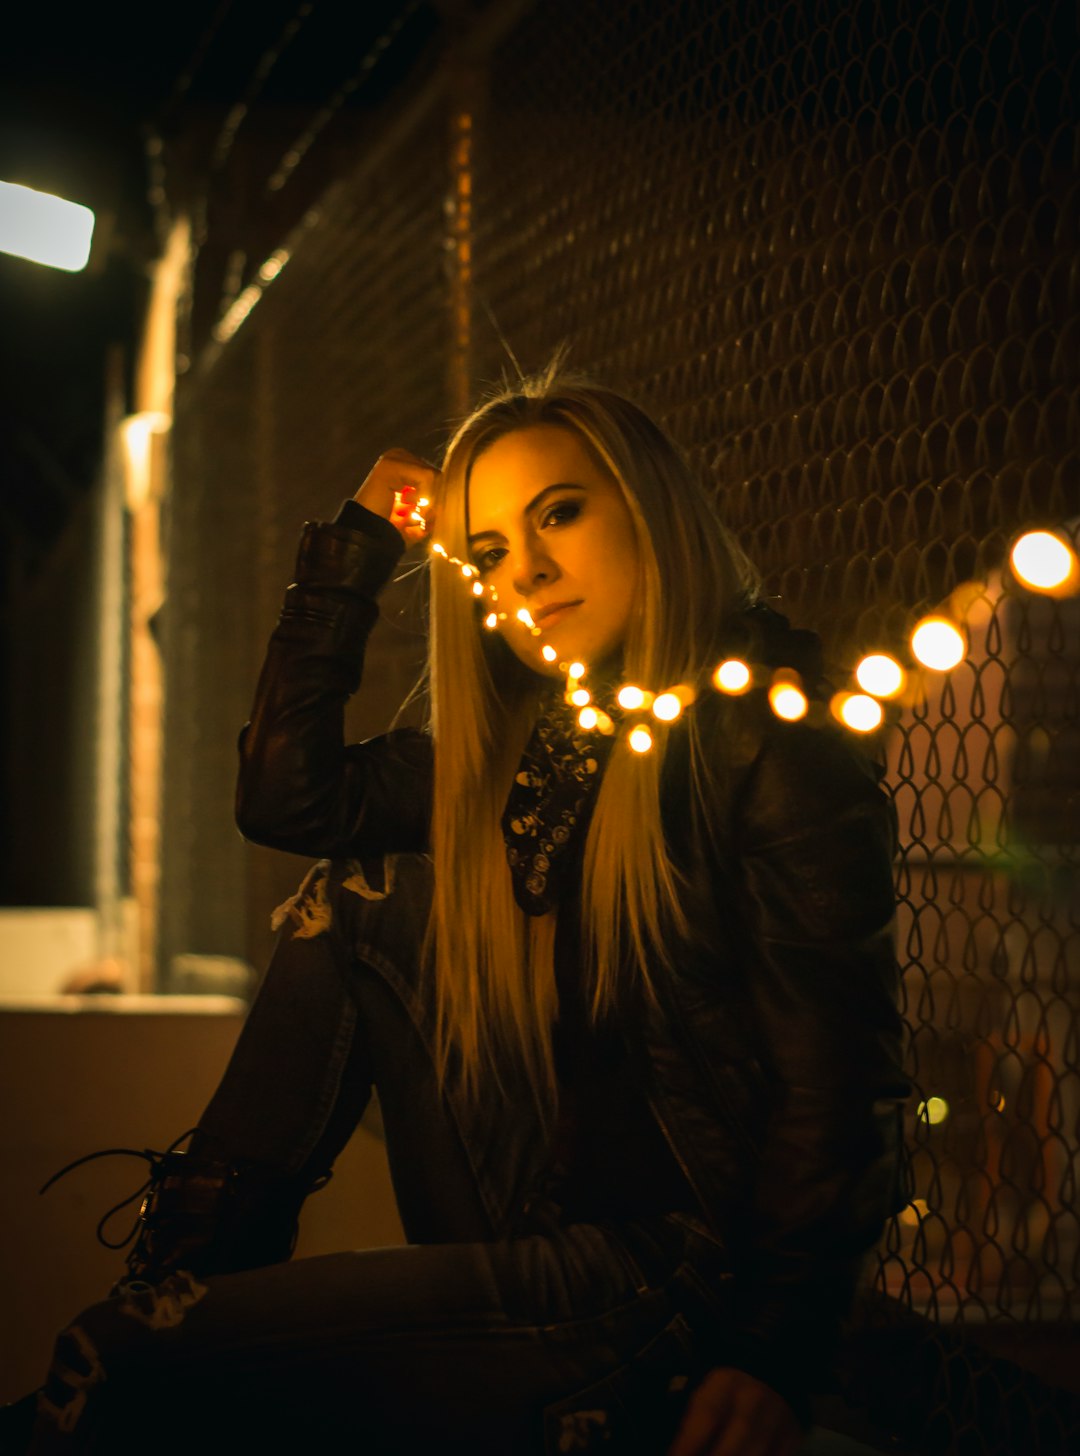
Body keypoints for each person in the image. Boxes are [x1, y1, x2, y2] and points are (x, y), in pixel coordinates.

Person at [11, 367, 908, 1454]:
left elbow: (840, 1089)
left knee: (107, 1363)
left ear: (651, 509)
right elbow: (288, 798)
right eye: (487, 553)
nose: (526, 570)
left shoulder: (767, 739)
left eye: (560, 514)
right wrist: (357, 547)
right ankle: (185, 1278)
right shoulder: (538, 740)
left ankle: (170, 1327)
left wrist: (772, 1348)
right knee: (355, 896)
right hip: (532, 1206)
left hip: (668, 1272)